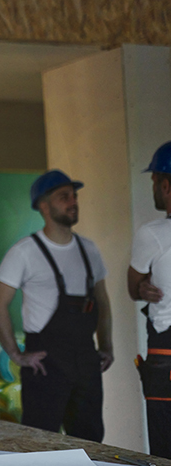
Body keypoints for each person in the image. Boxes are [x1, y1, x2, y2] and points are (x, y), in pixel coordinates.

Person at [0, 169, 113, 441]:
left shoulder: (89, 249)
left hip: (85, 359)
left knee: (90, 440)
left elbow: (102, 302)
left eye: (74, 196)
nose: (73, 201)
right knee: (40, 441)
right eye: (63, 197)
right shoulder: (25, 252)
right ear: (43, 206)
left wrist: (106, 346)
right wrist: (15, 354)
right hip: (45, 362)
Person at [128, 140, 171, 458]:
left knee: (164, 451)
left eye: (154, 181)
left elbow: (134, 287)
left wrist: (143, 287)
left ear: (166, 185)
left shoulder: (153, 234)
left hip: (166, 357)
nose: (154, 188)